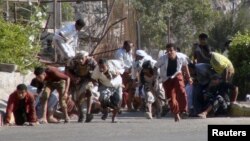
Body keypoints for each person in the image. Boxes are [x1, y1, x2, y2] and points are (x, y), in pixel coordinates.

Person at [155, 43, 193, 122]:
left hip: (176, 75)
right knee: (171, 98)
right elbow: (155, 67)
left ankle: (184, 111)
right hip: (166, 78)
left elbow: (185, 66)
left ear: (175, 51)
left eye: (171, 51)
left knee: (181, 90)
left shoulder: (181, 57)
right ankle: (176, 113)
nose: (169, 53)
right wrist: (155, 77)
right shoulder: (162, 58)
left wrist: (189, 77)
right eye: (167, 51)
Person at [65, 50, 97, 123]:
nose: (80, 60)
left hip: (87, 79)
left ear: (86, 57)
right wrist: (74, 78)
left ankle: (88, 113)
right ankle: (81, 114)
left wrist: (94, 79)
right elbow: (67, 71)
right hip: (75, 79)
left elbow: (97, 70)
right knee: (75, 98)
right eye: (78, 58)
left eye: (82, 58)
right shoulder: (72, 62)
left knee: (88, 91)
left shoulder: (91, 61)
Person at [91, 58, 124, 123]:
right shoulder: (97, 70)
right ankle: (106, 110)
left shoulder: (114, 64)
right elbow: (93, 78)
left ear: (107, 65)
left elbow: (122, 67)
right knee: (102, 98)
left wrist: (119, 72)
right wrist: (96, 84)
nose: (101, 69)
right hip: (105, 85)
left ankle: (114, 117)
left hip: (117, 84)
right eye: (100, 67)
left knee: (118, 99)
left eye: (103, 67)